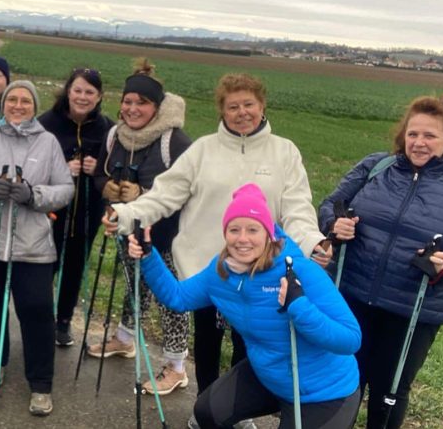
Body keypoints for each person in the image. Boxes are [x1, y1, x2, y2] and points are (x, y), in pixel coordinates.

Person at [104, 73, 331, 427]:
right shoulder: (203, 150)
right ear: (222, 110)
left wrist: (313, 242)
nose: (242, 113)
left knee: (249, 345)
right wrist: (125, 214)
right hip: (206, 269)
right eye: (233, 106)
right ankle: (206, 410)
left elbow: (297, 209)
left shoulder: (284, 152)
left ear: (262, 105)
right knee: (207, 343)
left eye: (248, 105)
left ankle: (240, 411)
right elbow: (165, 195)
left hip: (262, 272)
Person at [319, 94, 443, 429]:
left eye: (430, 135)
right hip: (353, 295)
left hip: (412, 310)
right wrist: (334, 223)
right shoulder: (375, 167)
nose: (419, 142)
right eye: (413, 134)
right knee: (343, 381)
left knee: (390, 389)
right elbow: (331, 204)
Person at [129, 184, 362, 429]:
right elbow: (177, 297)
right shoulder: (221, 273)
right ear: (225, 233)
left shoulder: (301, 272)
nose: (242, 239)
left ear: (269, 234)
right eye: (234, 229)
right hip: (269, 377)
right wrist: (148, 256)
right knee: (207, 412)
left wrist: (300, 307)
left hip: (325, 392)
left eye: (253, 229)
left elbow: (351, 339)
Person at [0, 81, 74, 416]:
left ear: (34, 106)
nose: (18, 105)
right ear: (4, 104)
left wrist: (34, 195)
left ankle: (41, 383)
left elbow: (65, 189)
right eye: (12, 100)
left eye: (25, 101)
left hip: (31, 244)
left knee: (36, 310)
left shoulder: (47, 142)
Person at [87, 59, 193, 396]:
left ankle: (176, 367)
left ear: (156, 107)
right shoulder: (115, 135)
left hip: (170, 235)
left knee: (171, 298)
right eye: (128, 101)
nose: (133, 109)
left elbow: (187, 189)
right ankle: (126, 338)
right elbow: (102, 173)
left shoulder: (174, 140)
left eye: (142, 103)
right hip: (130, 229)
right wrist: (108, 189)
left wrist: (144, 196)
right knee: (133, 285)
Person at [38, 67, 114, 346]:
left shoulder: (108, 128)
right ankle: (40, 319)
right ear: (68, 91)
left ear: (99, 96)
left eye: (89, 92)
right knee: (46, 264)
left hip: (87, 210)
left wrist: (98, 170)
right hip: (51, 212)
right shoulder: (46, 122)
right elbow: (33, 166)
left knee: (75, 265)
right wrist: (61, 168)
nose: (82, 97)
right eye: (78, 90)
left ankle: (63, 322)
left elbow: (113, 171)